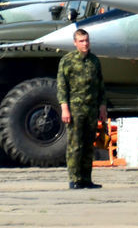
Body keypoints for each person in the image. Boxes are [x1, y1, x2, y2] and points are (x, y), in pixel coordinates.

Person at [57, 28, 107, 189]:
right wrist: (64, 108)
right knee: (75, 144)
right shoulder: (67, 61)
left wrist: (102, 106)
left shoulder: (94, 60)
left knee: (88, 145)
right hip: (75, 109)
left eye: (86, 40)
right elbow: (62, 86)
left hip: (91, 109)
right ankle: (74, 178)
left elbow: (100, 85)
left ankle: (86, 178)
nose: (85, 44)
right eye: (81, 41)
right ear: (75, 43)